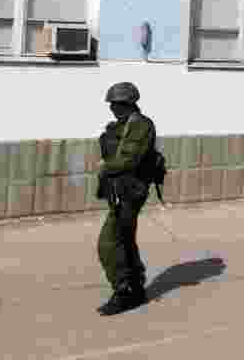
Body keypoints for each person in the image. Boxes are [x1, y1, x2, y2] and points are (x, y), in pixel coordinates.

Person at [96, 82, 156, 315]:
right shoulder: (122, 125)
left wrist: (105, 167)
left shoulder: (140, 125)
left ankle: (124, 290)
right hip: (120, 191)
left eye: (116, 104)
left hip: (130, 192)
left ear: (128, 104)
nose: (112, 108)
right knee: (124, 239)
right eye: (111, 104)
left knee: (110, 242)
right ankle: (135, 287)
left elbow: (127, 160)